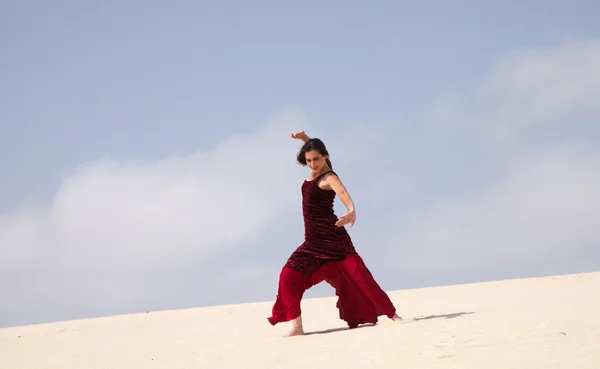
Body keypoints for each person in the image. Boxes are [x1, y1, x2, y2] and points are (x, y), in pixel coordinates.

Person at [267, 130, 402, 336]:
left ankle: (392, 315)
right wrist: (305, 139)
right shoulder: (316, 172)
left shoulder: (329, 176)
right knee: (288, 275)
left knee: (362, 278)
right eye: (309, 160)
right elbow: (315, 149)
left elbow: (342, 192)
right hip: (312, 243)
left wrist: (351, 210)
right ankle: (296, 327)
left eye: (317, 159)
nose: (313, 164)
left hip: (335, 240)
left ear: (326, 157)